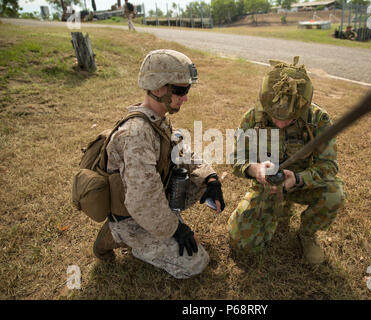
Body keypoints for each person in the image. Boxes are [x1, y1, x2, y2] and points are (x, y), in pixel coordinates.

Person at [93, 49, 225, 279]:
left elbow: (181, 154)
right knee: (195, 263)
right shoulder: (136, 134)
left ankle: (160, 225)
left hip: (150, 202)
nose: (185, 97)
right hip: (132, 216)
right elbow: (141, 200)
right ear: (157, 88)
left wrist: (210, 178)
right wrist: (175, 229)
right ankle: (115, 236)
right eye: (181, 90)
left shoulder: (156, 121)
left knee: (203, 182)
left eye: (187, 89)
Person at [228, 57, 345, 264]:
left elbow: (329, 166)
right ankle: (274, 210)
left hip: (301, 183)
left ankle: (307, 234)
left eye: (290, 119)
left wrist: (298, 179)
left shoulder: (318, 120)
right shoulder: (253, 118)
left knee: (334, 193)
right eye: (275, 116)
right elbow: (236, 157)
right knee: (243, 244)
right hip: (267, 186)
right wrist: (255, 170)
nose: (281, 123)